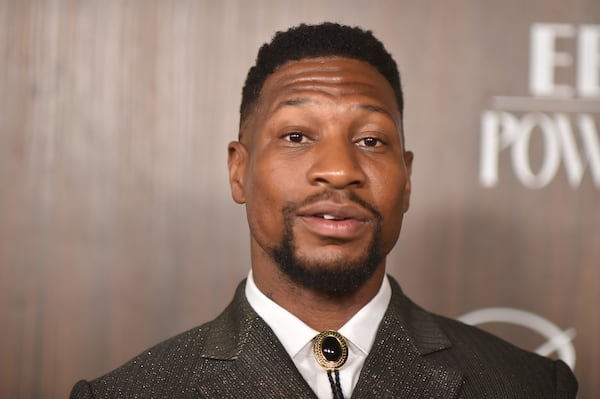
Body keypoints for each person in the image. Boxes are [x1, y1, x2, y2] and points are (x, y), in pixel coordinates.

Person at [70, 22, 578, 399]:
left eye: (370, 140)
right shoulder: (128, 393)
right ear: (238, 171)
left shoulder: (530, 386)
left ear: (407, 180)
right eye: (296, 136)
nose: (338, 170)